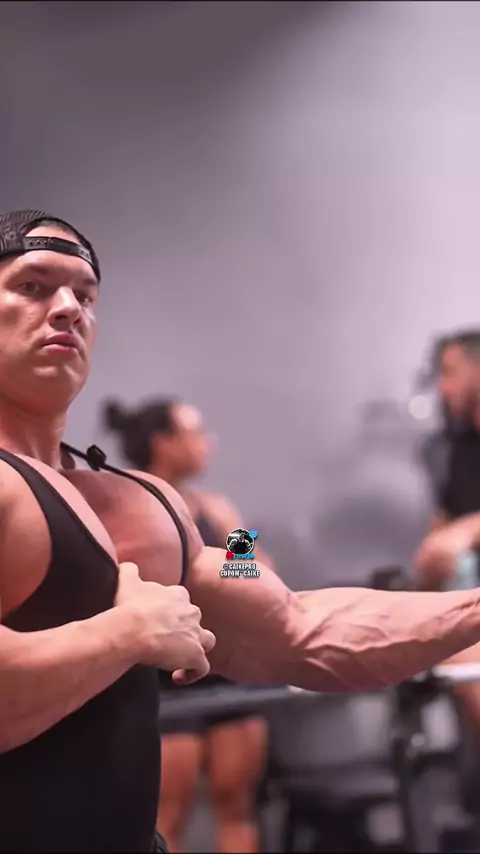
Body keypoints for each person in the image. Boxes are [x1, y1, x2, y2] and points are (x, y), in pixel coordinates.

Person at [2, 210, 480, 854]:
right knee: (177, 805)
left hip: (199, 677)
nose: (68, 308)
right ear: (164, 442)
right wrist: (127, 634)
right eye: (33, 286)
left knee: (234, 801)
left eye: (85, 295)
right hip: (170, 694)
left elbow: (293, 622)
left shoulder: (167, 505)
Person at [103, 397, 272, 853]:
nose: (207, 442)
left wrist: (227, 574)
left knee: (237, 807)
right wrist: (219, 578)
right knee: (167, 819)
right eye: (196, 433)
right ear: (164, 442)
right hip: (166, 684)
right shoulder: (126, 508)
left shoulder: (217, 509)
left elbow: (256, 574)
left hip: (226, 675)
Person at [415, 330, 480, 745]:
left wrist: (467, 530)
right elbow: (438, 539)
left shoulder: (222, 511)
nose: (442, 388)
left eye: (450, 373)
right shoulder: (457, 450)